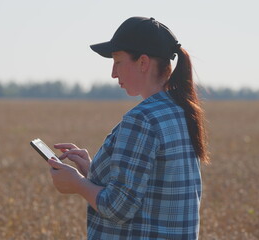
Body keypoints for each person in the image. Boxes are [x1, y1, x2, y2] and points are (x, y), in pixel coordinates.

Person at [47, 16, 209, 239]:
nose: (113, 73)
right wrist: (92, 170)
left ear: (143, 62)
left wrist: (78, 184)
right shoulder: (180, 110)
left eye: (118, 61)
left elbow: (117, 207)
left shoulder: (142, 119)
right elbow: (148, 188)